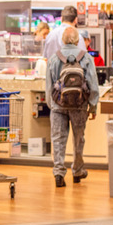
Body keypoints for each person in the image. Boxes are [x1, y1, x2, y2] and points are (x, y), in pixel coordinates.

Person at [45, 27, 99, 188]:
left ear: (62, 40)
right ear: (77, 40)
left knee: (58, 140)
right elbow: (93, 86)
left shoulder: (54, 58)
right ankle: (77, 170)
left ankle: (59, 174)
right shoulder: (86, 58)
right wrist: (93, 107)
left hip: (58, 106)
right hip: (79, 105)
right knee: (78, 139)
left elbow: (48, 86)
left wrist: (52, 105)